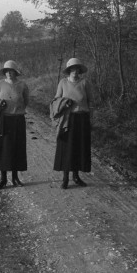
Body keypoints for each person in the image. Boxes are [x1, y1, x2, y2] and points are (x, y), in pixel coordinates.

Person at [0, 60, 30, 189]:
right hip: (3, 121)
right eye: (6, 71)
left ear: (15, 73)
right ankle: (3, 179)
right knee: (3, 150)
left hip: (18, 120)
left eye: (11, 71)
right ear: (4, 73)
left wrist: (17, 109)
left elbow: (26, 101)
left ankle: (15, 178)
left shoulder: (22, 85)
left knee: (17, 149)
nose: (9, 74)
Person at [53, 58, 94, 189]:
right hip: (67, 119)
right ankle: (65, 178)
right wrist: (64, 103)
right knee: (66, 147)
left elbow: (90, 100)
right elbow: (56, 100)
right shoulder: (63, 82)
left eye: (77, 70)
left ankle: (76, 177)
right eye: (72, 69)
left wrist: (89, 116)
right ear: (69, 71)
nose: (75, 72)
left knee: (79, 148)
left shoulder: (85, 83)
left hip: (82, 119)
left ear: (80, 71)